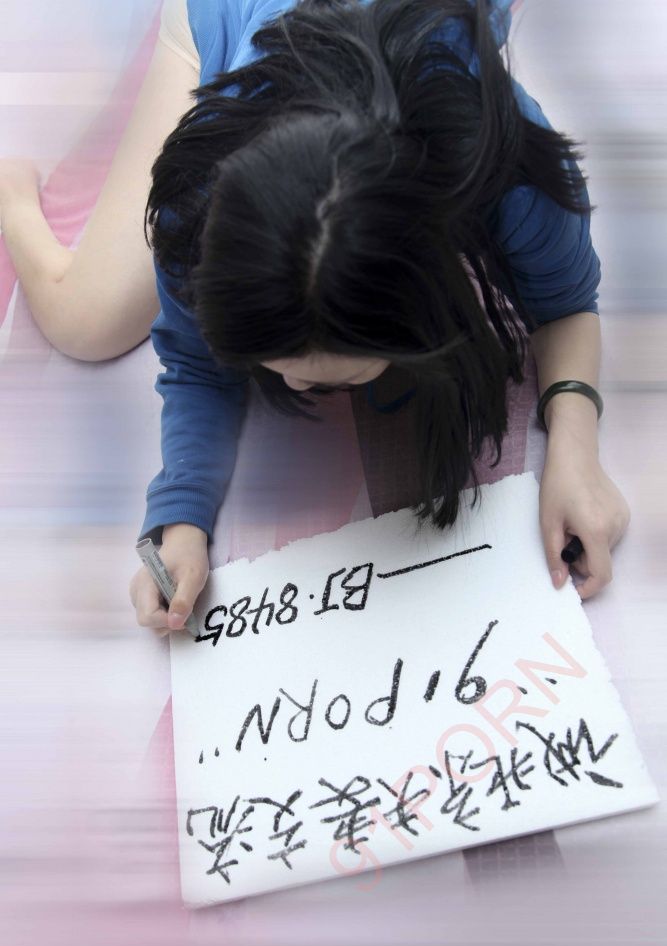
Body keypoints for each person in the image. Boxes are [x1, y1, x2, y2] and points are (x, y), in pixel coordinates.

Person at [0, 0, 630, 638]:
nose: (302, 388)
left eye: (343, 371)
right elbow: (195, 363)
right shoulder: (196, 204)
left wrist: (575, 449)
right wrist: (181, 516)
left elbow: (566, 303)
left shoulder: (510, 166)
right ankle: (9, 193)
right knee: (86, 321)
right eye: (279, 364)